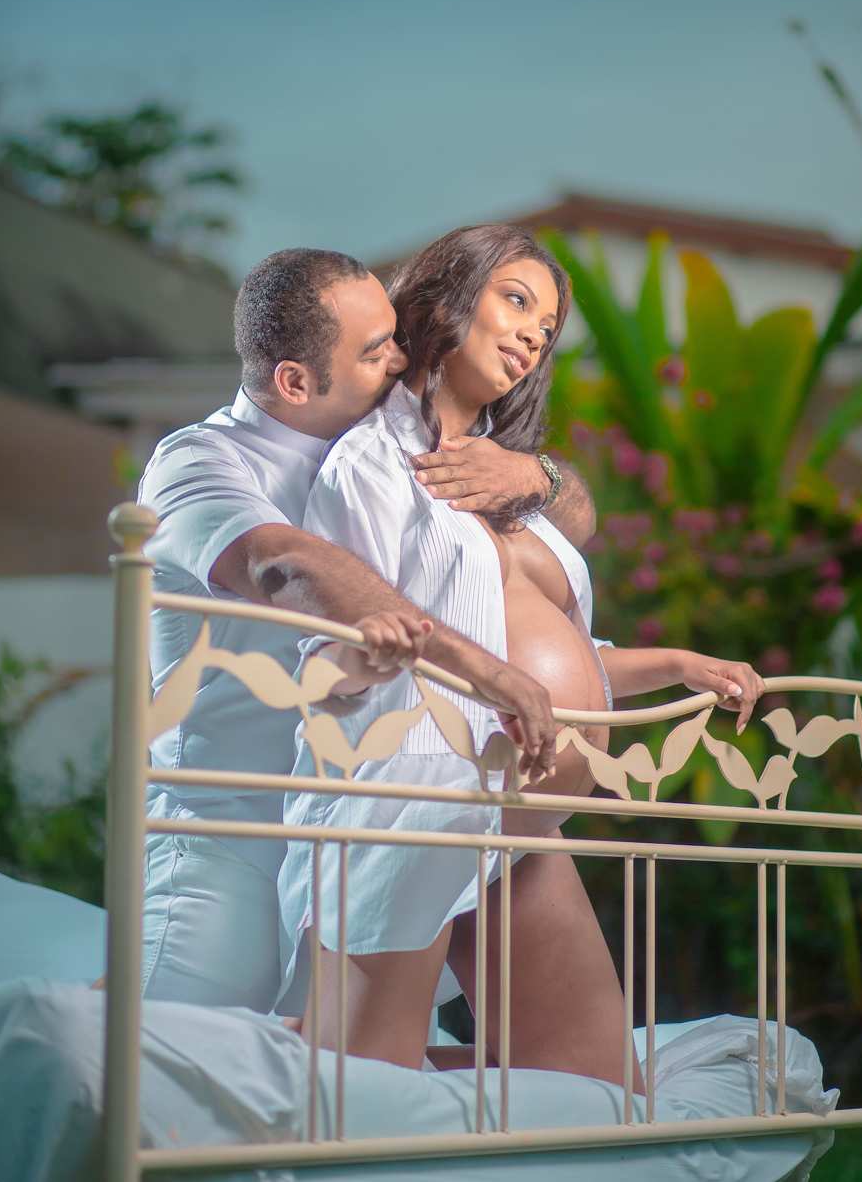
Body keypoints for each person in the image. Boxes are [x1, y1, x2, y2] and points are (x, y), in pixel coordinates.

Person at [278, 225, 763, 1083]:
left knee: (598, 1086)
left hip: (521, 824)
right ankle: (290, 1042)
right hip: (424, 804)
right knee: (361, 1092)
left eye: (547, 325)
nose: (535, 333)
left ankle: (318, 1042)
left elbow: (552, 654)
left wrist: (678, 665)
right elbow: (341, 644)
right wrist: (367, 662)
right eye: (516, 300)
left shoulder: (514, 486)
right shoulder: (372, 464)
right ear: (448, 296)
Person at [135, 246, 591, 1013]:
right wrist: (481, 670)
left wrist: (533, 475)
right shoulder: (201, 462)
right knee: (173, 1060)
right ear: (295, 382)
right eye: (378, 350)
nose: (404, 357)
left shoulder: (402, 452)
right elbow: (282, 564)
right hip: (229, 850)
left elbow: (569, 528)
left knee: (352, 1071)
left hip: (366, 828)